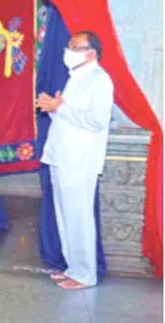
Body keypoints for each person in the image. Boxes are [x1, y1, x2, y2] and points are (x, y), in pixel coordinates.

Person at [36, 31, 114, 290]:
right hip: (61, 155)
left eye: (75, 46)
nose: (68, 50)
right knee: (65, 216)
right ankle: (73, 268)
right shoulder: (75, 79)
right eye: (69, 45)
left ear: (91, 52)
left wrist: (60, 108)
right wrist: (54, 107)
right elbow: (70, 119)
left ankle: (86, 274)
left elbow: (97, 120)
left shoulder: (99, 80)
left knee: (78, 218)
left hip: (80, 161)